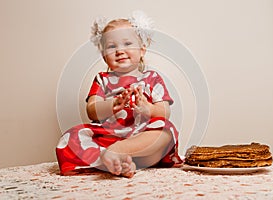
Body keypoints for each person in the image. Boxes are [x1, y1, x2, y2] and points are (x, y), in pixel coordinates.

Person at [56, 11, 182, 178]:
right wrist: (111, 105)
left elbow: (165, 112)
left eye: (127, 43)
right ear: (103, 56)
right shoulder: (102, 79)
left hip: (141, 140)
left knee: (166, 130)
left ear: (142, 50)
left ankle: (117, 153)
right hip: (110, 135)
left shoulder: (152, 78)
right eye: (112, 46)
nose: (120, 51)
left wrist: (148, 109)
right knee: (71, 137)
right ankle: (115, 162)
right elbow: (91, 110)